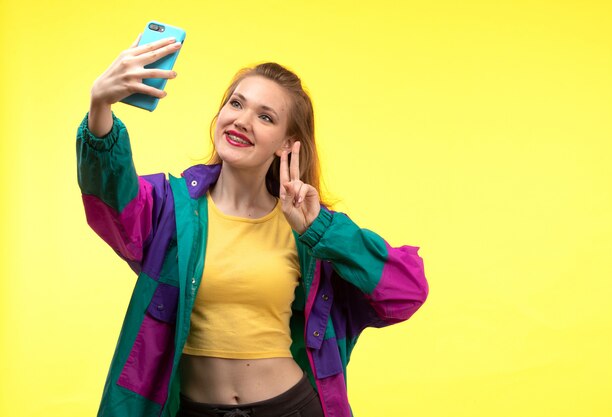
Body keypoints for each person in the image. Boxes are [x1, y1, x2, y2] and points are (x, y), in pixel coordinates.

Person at [77, 35, 429, 417]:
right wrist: (100, 105)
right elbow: (110, 198)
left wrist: (321, 229)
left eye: (265, 116)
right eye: (236, 104)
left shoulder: (307, 227)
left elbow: (405, 291)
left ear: (286, 143)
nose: (242, 121)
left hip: (291, 408)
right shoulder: (169, 208)